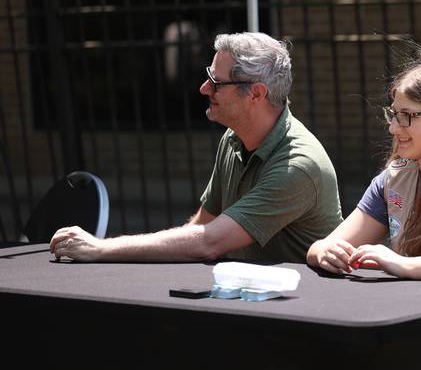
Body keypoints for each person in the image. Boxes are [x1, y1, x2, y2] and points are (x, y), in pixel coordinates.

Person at [50, 32, 343, 263]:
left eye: (217, 82)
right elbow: (201, 226)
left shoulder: (299, 165)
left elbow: (208, 242)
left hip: (301, 318)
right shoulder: (233, 139)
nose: (204, 88)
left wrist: (101, 248)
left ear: (256, 93)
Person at [307, 54, 421, 280]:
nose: (393, 128)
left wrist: (403, 265)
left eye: (407, 116)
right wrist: (324, 251)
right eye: (394, 114)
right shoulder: (392, 180)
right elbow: (323, 247)